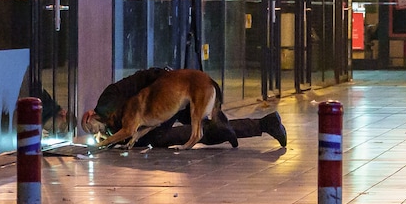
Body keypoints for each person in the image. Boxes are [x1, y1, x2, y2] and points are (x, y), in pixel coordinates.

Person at [82, 67, 288, 149]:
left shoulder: (106, 103)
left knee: (188, 132)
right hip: (158, 105)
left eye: (89, 125)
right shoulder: (109, 114)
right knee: (199, 127)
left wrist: (167, 79)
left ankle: (260, 125)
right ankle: (262, 124)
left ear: (91, 114)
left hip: (163, 96)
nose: (94, 131)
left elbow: (128, 124)